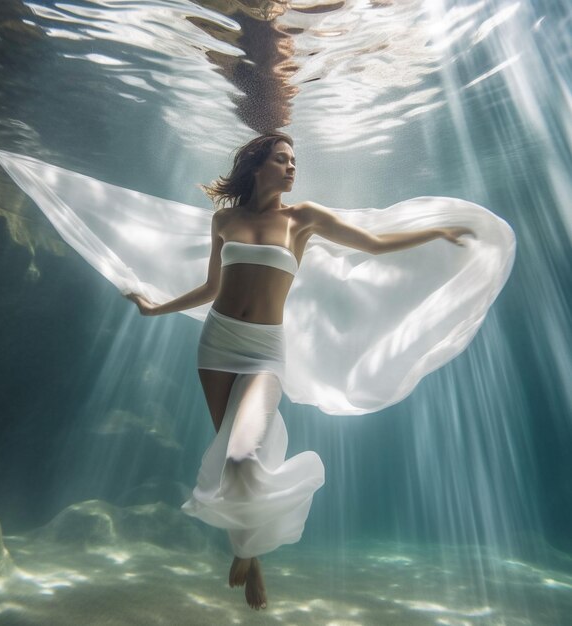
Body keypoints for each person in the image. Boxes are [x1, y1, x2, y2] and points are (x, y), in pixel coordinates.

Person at [123, 131, 476, 610]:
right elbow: (211, 287)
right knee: (231, 466)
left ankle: (249, 551)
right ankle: (252, 558)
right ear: (256, 166)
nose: (291, 167)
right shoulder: (225, 218)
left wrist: (435, 232)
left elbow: (371, 245)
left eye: (294, 160)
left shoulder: (302, 219)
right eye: (281, 159)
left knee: (242, 459)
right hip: (216, 346)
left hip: (264, 352)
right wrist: (154, 309)